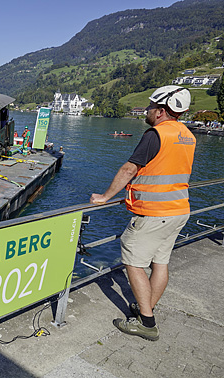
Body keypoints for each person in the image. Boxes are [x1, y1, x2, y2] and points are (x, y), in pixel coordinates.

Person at [90, 85, 196, 342]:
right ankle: (145, 306)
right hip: (179, 210)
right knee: (160, 262)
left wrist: (105, 197)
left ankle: (147, 324)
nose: (146, 110)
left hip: (153, 212)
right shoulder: (187, 135)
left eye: (150, 106)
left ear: (161, 111)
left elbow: (129, 169)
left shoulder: (155, 134)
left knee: (134, 262)